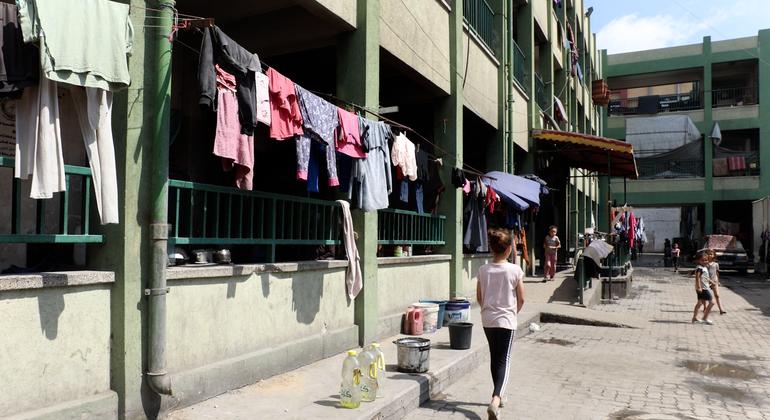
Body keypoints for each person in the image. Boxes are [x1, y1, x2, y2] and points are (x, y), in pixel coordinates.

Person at [476, 228, 525, 420]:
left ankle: (497, 395)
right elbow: (521, 299)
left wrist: (488, 310)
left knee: (495, 359)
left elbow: (480, 297)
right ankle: (496, 400)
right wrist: (512, 313)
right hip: (506, 321)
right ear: (509, 250)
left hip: (487, 320)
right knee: (505, 361)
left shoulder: (483, 270)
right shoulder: (515, 270)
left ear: (492, 249)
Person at [692, 250, 715, 325]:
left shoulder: (704, 267)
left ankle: (694, 318)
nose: (705, 261)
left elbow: (705, 277)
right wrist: (699, 287)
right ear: (698, 260)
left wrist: (711, 281)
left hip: (703, 288)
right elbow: (697, 277)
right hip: (703, 288)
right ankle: (704, 318)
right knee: (712, 302)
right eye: (703, 260)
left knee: (699, 303)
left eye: (706, 260)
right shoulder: (700, 268)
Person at [705, 249, 726, 315]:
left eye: (711, 254)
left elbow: (717, 273)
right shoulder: (705, 263)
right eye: (708, 254)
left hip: (714, 281)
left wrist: (718, 281)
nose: (709, 255)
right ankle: (705, 308)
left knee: (717, 295)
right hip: (706, 281)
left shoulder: (716, 264)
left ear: (714, 255)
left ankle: (721, 309)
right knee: (705, 296)